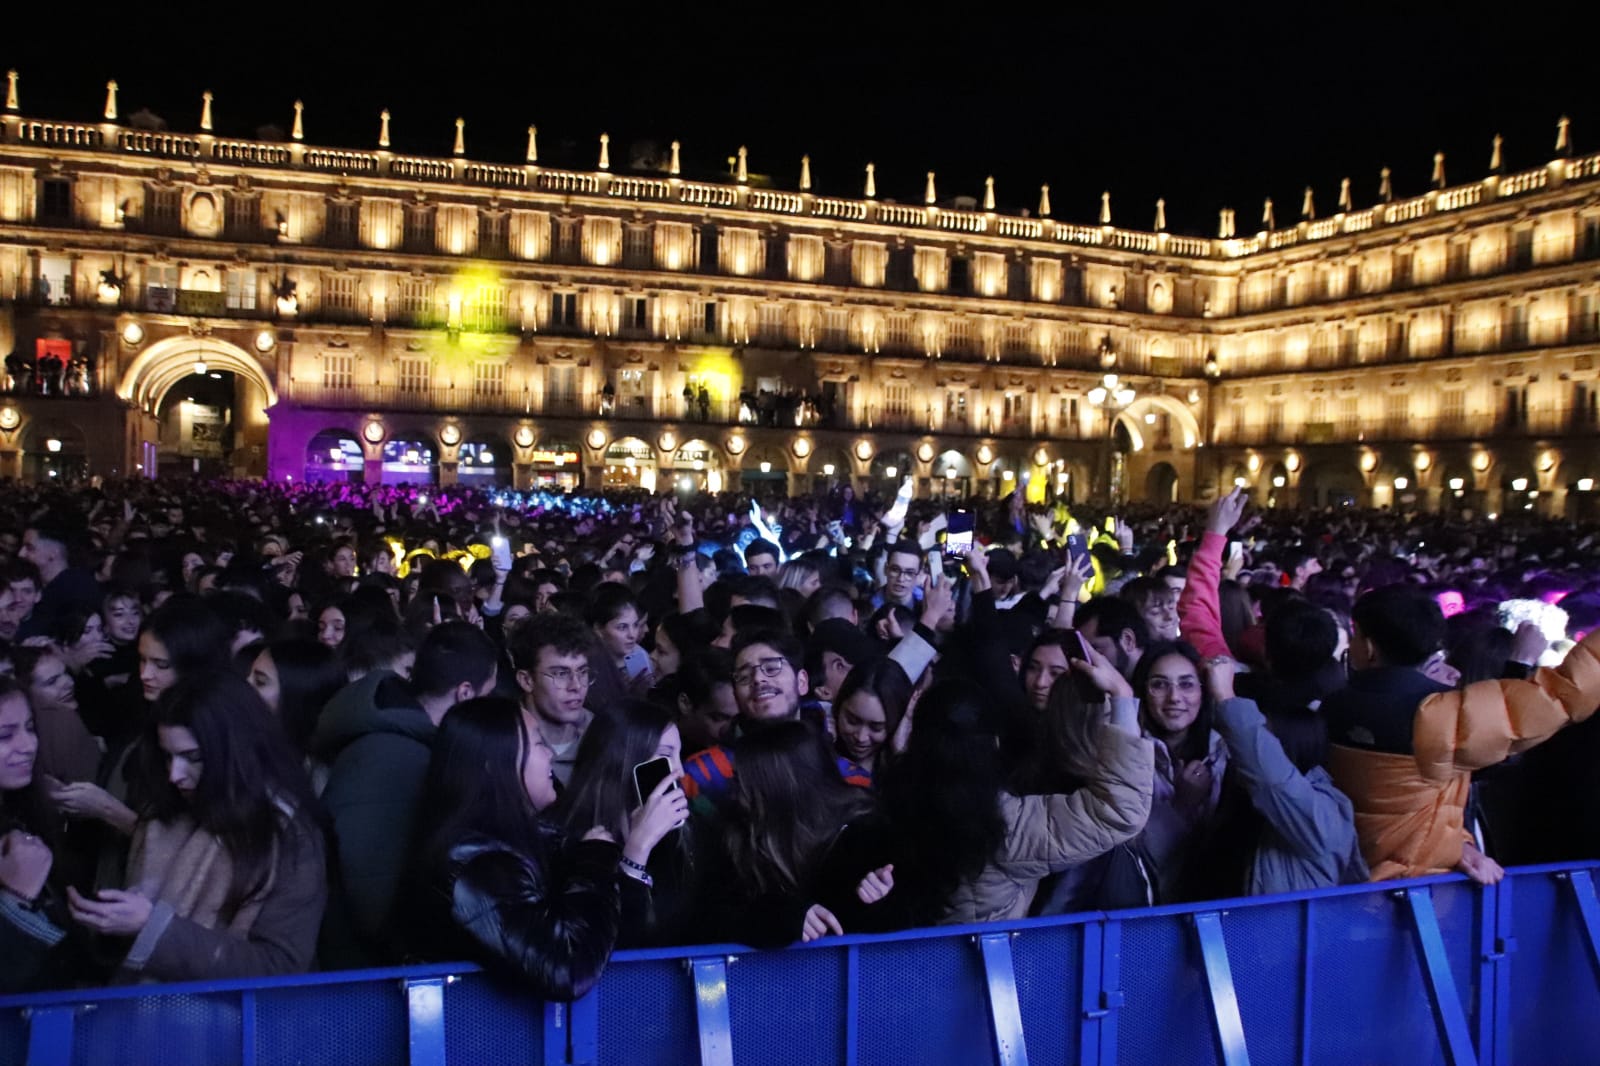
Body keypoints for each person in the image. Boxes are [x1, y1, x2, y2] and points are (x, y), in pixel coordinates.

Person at [67, 672, 326, 981]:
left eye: (193, 757)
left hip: (232, 1023)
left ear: (237, 751)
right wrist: (114, 925)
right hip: (141, 1013)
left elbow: (280, 966)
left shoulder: (288, 837)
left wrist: (153, 928)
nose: (174, 775)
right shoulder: (162, 815)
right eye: (167, 756)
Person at [880, 665, 1153, 925]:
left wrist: (900, 756)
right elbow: (1118, 811)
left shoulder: (892, 800)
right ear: (994, 743)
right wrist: (1121, 696)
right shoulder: (1007, 827)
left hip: (906, 966)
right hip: (982, 967)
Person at [406, 697, 622, 1000]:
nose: (549, 756)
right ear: (495, 764)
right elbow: (566, 967)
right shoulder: (475, 865)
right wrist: (595, 863)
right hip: (477, 1037)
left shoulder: (531, 839)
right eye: (538, 744)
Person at [316, 621, 499, 967]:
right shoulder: (394, 758)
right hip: (362, 969)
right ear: (464, 693)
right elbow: (373, 890)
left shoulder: (408, 740)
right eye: (486, 696)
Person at [1198, 656, 1367, 895]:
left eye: (1264, 737)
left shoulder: (1324, 814)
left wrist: (1226, 697)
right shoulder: (1245, 800)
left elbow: (1272, 778)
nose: (1244, 752)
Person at [558, 699, 693, 947]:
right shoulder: (566, 841)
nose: (680, 772)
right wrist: (635, 855)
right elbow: (605, 948)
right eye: (665, 755)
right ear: (625, 760)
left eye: (679, 755)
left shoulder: (681, 835)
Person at [1129, 640, 1229, 901]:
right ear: (1142, 691)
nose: (1174, 698)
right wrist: (1180, 806)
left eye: (1186, 684)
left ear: (1203, 692)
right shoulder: (1127, 752)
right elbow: (1131, 858)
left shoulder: (1224, 752)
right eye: (1159, 685)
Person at [0, 679, 73, 992]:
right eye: (5, 735)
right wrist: (15, 901)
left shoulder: (24, 812)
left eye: (29, 728)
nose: (28, 745)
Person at [510, 614, 598, 786]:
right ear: (527, 680)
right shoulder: (503, 742)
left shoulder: (602, 735)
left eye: (583, 672)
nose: (576, 686)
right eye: (561, 674)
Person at [831, 658, 913, 781]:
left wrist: (900, 756)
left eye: (876, 728)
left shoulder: (905, 769)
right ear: (838, 706)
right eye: (852, 721)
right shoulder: (815, 745)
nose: (861, 737)